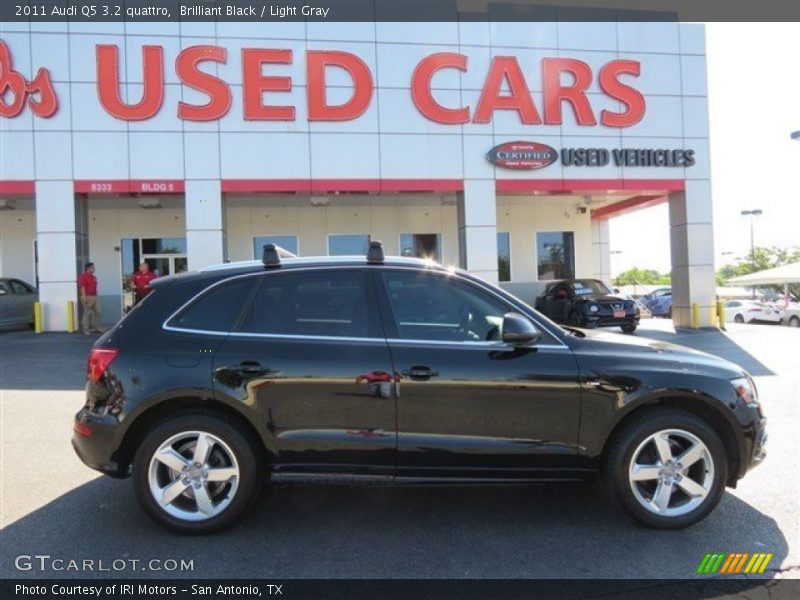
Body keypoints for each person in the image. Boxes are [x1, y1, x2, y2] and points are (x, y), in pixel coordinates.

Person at [78, 262, 102, 335]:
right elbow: (82, 287)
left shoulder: (94, 277)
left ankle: (97, 328)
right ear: (88, 268)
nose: (94, 269)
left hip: (94, 297)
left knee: (98, 312)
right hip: (87, 296)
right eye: (93, 267)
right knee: (87, 314)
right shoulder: (83, 276)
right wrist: (84, 296)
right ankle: (86, 330)